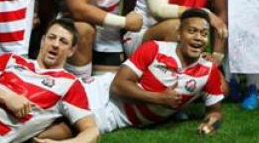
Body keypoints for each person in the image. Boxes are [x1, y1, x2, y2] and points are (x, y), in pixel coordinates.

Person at [78, 9, 225, 133]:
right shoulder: (154, 48)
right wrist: (159, 98)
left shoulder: (208, 71)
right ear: (179, 33)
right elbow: (117, 86)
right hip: (100, 91)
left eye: (204, 34)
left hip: (116, 115)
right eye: (192, 31)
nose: (198, 38)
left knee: (69, 128)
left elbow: (215, 111)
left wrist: (209, 125)